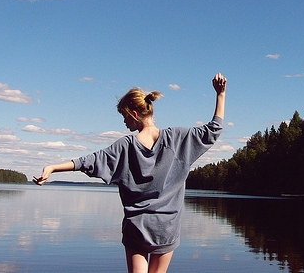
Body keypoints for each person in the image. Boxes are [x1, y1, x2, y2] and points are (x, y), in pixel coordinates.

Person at [34, 73, 227, 273]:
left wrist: (53, 167)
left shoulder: (125, 146)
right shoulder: (178, 139)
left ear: (134, 114)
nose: (125, 122)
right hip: (166, 228)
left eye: (125, 117)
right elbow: (213, 130)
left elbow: (88, 162)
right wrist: (220, 95)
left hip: (137, 228)